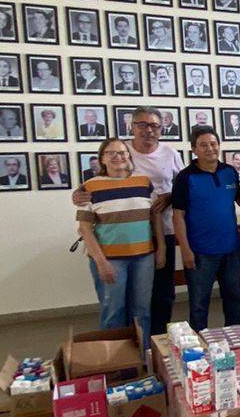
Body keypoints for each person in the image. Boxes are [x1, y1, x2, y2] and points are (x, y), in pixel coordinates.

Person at [73, 107, 185, 337]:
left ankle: (154, 344)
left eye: (154, 125)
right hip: (117, 244)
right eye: (142, 124)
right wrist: (78, 194)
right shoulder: (121, 153)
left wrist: (169, 197)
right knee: (117, 305)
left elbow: (183, 188)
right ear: (131, 127)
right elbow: (90, 199)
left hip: (159, 234)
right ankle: (121, 349)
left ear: (161, 128)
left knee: (159, 296)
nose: (148, 130)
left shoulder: (169, 155)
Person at [76, 137, 161, 351]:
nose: (117, 157)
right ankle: (115, 359)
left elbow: (155, 217)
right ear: (102, 159)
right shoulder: (90, 187)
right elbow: (85, 229)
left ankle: (142, 357)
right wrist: (101, 262)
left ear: (129, 156)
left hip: (144, 257)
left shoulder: (143, 182)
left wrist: (162, 248)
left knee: (142, 311)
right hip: (110, 260)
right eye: (111, 153)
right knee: (113, 312)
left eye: (122, 152)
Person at [170, 128, 240, 333]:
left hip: (230, 248)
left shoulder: (230, 172)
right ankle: (200, 344)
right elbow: (178, 216)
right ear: (194, 149)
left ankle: (237, 340)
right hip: (200, 252)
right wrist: (185, 250)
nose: (209, 148)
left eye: (213, 144)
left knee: (234, 299)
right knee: (199, 304)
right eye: (203, 145)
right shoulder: (185, 177)